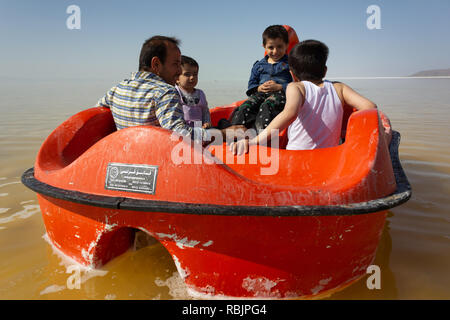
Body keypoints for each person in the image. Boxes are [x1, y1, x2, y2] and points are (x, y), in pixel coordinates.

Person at [230, 39, 387, 155]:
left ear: (292, 74)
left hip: (297, 156)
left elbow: (289, 114)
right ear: (325, 70)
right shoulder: (339, 88)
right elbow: (370, 107)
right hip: (330, 156)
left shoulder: (296, 87)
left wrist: (253, 141)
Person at [96, 35, 241, 144]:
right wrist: (223, 133)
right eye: (175, 64)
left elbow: (98, 110)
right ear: (156, 64)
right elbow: (181, 136)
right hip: (158, 161)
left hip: (128, 155)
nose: (179, 71)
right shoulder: (165, 92)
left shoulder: (117, 89)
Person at [229, 25, 293, 132]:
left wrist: (280, 86)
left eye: (280, 47)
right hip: (261, 94)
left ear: (287, 45)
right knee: (245, 107)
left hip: (281, 96)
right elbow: (252, 85)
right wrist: (259, 88)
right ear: (264, 46)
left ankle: (262, 136)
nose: (275, 51)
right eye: (271, 47)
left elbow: (298, 84)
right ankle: (235, 132)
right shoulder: (259, 66)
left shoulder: (291, 64)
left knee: (267, 106)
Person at [175, 55, 211, 129]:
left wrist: (207, 122)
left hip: (199, 129)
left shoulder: (200, 94)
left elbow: (205, 111)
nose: (192, 77)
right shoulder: (175, 92)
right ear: (177, 78)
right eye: (187, 74)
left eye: (195, 74)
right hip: (183, 129)